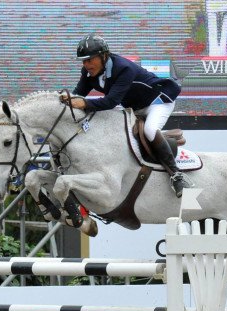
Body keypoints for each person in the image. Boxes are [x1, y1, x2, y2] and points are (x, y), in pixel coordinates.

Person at [64, 33, 194, 198]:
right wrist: (65, 100)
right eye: (84, 61)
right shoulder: (88, 72)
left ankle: (177, 175)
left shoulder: (124, 68)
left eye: (90, 59)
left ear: (104, 56)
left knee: (150, 130)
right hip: (134, 107)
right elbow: (79, 95)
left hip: (157, 102)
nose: (87, 64)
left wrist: (85, 104)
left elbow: (110, 102)